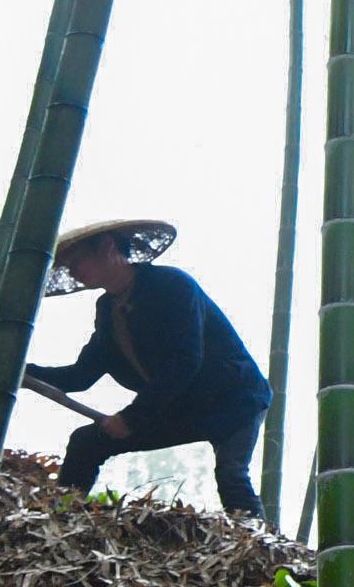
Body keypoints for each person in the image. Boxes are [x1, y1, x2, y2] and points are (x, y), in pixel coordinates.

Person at [32, 218, 271, 520]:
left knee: (232, 474)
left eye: (77, 261)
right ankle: (58, 520)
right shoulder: (108, 310)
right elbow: (81, 375)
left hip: (233, 398)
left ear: (107, 248)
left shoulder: (172, 285)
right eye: (69, 267)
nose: (74, 272)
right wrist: (21, 372)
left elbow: (184, 361)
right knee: (87, 443)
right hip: (177, 403)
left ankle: (258, 542)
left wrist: (131, 417)